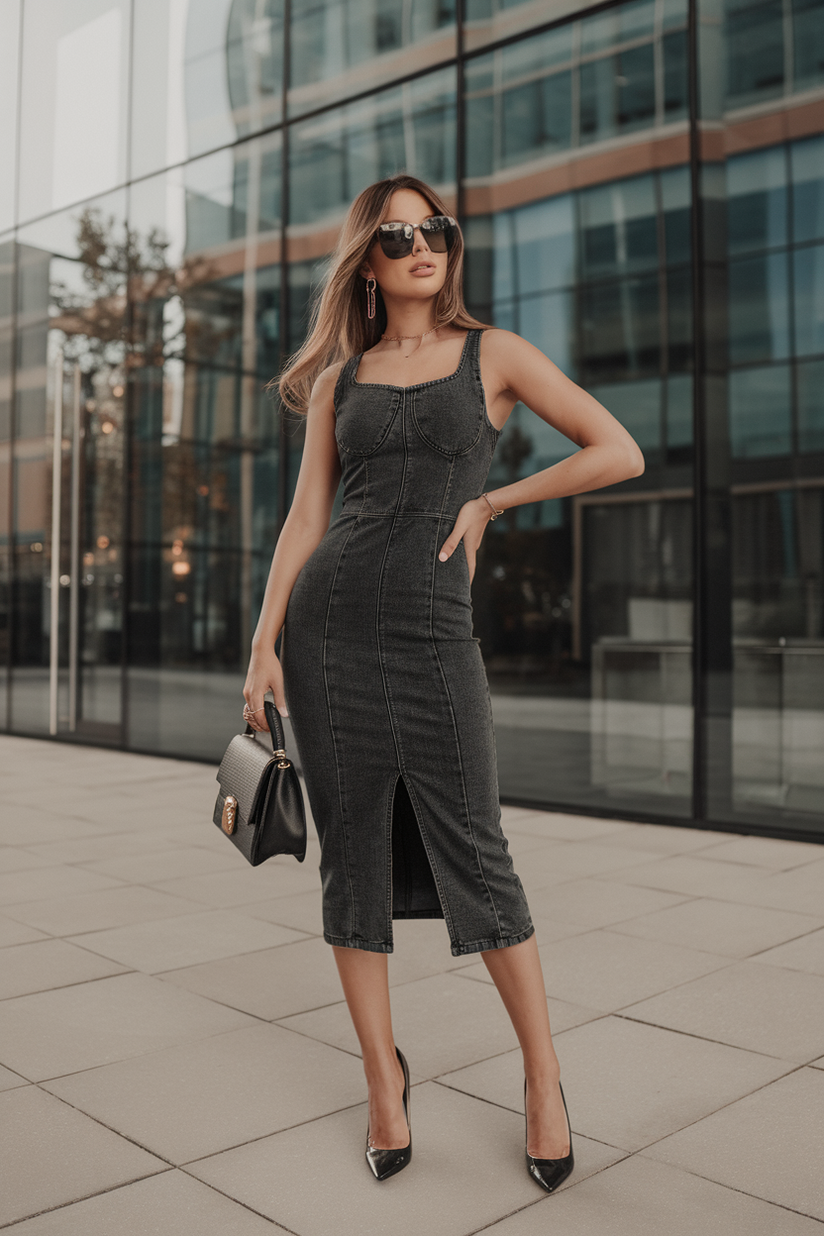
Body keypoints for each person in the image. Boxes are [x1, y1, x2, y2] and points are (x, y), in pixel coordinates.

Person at [242, 174, 644, 1189]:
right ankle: (384, 1078)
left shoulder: (493, 355)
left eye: (436, 229)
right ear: (366, 263)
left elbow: (616, 450)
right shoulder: (341, 380)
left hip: (431, 631)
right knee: (352, 862)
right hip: (325, 633)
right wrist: (260, 646)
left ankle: (542, 1081)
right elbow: (303, 523)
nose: (422, 245)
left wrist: (495, 501)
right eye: (395, 235)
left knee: (478, 849)